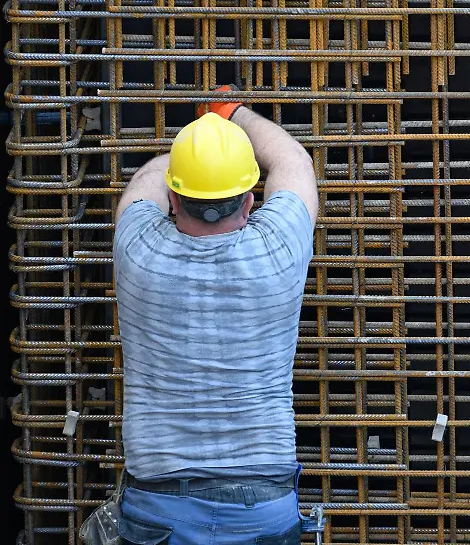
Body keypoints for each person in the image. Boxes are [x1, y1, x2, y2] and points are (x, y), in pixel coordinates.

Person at [112, 91, 318, 545]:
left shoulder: (137, 250)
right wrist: (230, 116)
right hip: (263, 506)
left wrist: (192, 150)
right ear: (249, 200)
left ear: (173, 196)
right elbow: (293, 161)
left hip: (157, 508)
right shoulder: (278, 250)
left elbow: (145, 180)